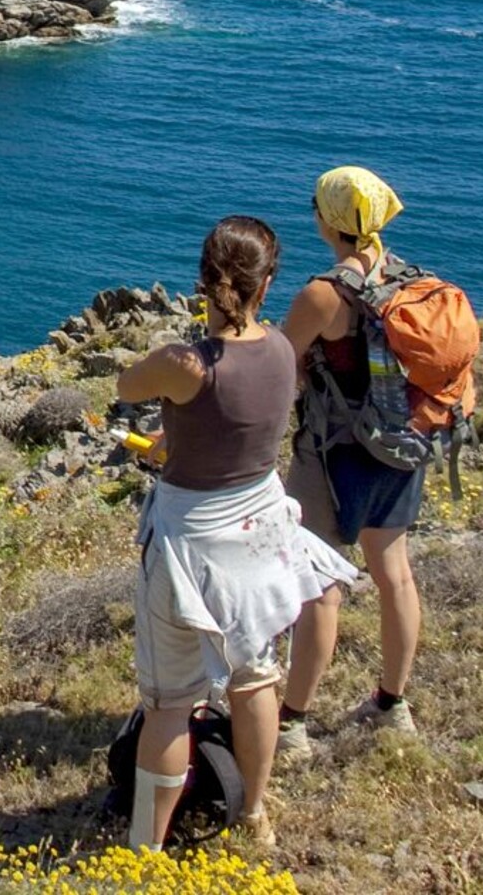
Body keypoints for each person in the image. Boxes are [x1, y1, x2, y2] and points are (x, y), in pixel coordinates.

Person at [117, 216, 356, 849]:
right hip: (257, 542)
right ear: (267, 282)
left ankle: (145, 849)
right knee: (254, 680)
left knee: (170, 704)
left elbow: (125, 386)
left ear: (203, 280)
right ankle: (255, 814)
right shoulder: (282, 347)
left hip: (186, 548)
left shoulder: (184, 363)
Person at [278, 166, 428, 755]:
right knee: (394, 575)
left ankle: (293, 721)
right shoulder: (410, 281)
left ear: (331, 220)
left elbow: (283, 365)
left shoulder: (324, 294)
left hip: (336, 453)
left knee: (320, 586)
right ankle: (393, 704)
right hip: (402, 446)